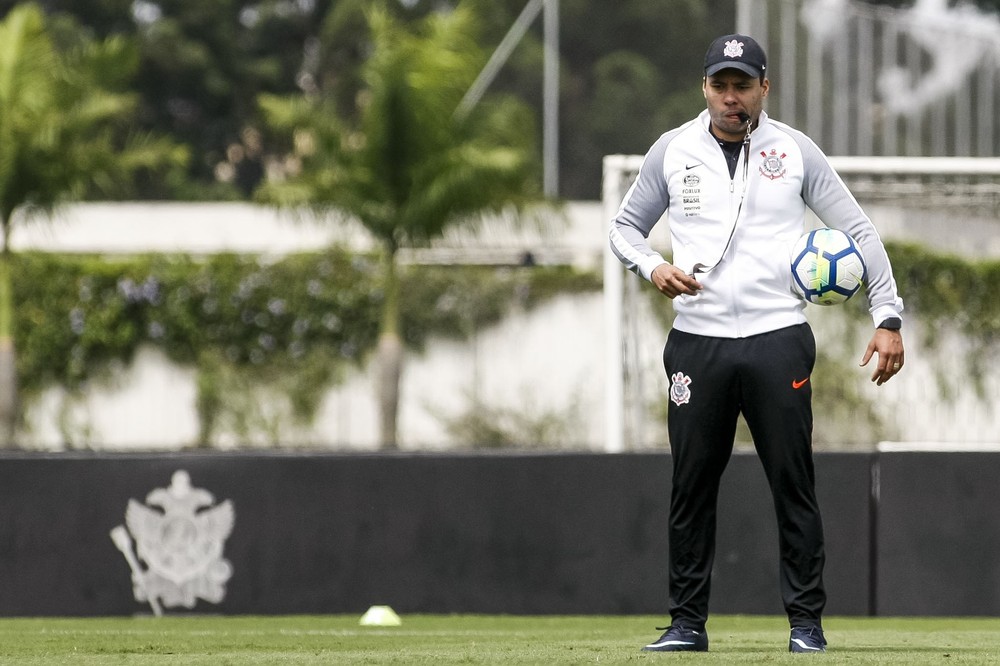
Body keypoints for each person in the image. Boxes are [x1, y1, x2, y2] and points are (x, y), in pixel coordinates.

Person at [608, 33, 905, 654]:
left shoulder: (795, 151)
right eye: (721, 84)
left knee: (792, 484)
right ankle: (687, 625)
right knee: (691, 487)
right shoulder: (673, 150)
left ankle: (806, 626)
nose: (731, 97)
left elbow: (857, 229)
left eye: (743, 85)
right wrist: (651, 266)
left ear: (764, 87)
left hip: (778, 339)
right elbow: (623, 228)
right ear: (704, 87)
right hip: (697, 342)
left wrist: (888, 316)